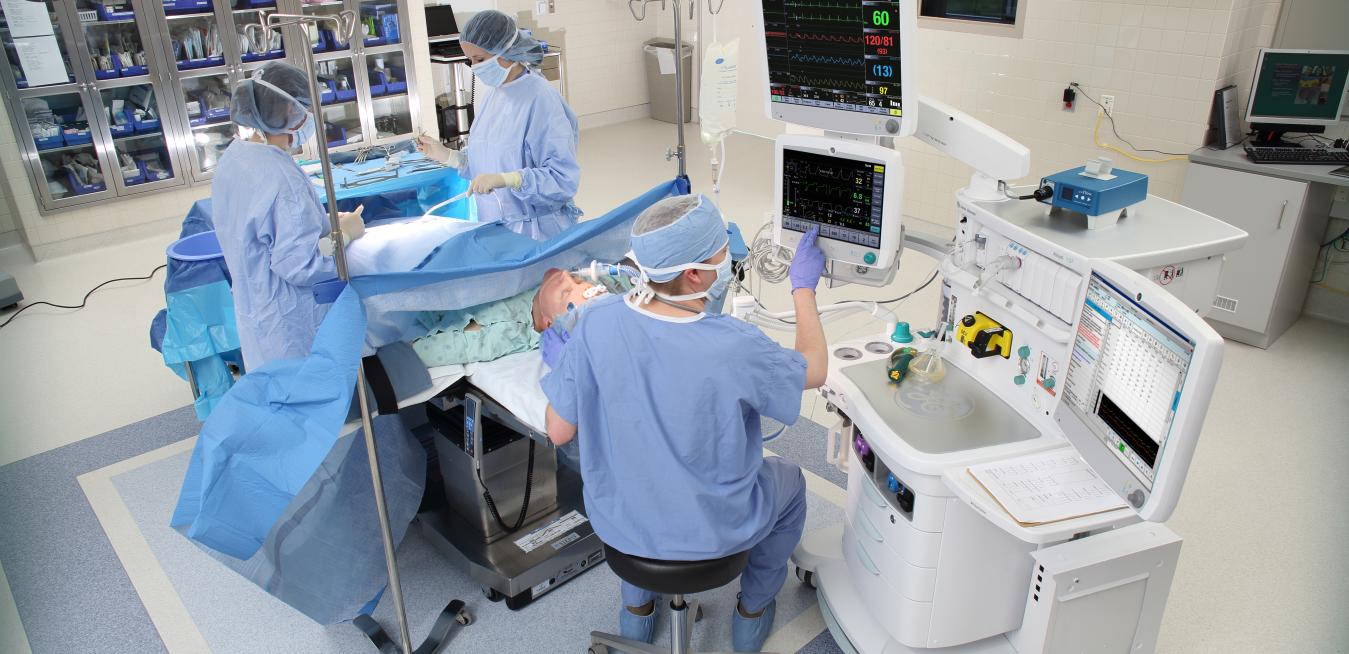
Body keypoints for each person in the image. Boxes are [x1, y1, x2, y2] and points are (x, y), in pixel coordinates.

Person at [540, 195, 829, 652]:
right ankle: (752, 612)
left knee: (638, 478)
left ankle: (636, 614)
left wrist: (569, 367)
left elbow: (558, 432)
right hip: (716, 535)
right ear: (694, 274)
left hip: (622, 529)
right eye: (722, 255)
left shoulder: (594, 323)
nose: (728, 263)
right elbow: (814, 368)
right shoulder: (736, 344)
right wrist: (803, 289)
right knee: (790, 482)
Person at [212, 61, 365, 371]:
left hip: (256, 312)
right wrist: (345, 234)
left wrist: (319, 223)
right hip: (291, 325)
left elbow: (262, 229)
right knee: (308, 393)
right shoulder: (281, 178)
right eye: (305, 109)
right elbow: (301, 265)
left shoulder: (235, 158)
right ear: (289, 110)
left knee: (273, 387)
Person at [416, 10, 581, 239]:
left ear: (507, 50)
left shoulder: (540, 99)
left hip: (537, 232)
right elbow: (489, 157)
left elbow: (561, 179)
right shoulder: (496, 94)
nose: (474, 67)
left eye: (480, 60)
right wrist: (448, 156)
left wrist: (509, 180)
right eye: (470, 60)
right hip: (498, 226)